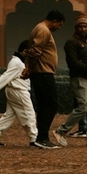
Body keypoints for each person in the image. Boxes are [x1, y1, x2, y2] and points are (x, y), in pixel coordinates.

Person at [58, 15, 87, 145]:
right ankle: (61, 131)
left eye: (85, 26)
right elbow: (74, 63)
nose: (83, 29)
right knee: (83, 107)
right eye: (81, 26)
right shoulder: (72, 43)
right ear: (76, 28)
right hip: (80, 78)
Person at [0, 40, 37, 148]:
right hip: (18, 91)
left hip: (15, 90)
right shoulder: (17, 63)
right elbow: (6, 76)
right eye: (30, 51)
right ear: (24, 51)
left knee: (9, 116)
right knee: (29, 114)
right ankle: (34, 138)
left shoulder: (18, 61)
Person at [27, 9, 66, 147]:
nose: (59, 28)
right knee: (50, 104)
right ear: (54, 21)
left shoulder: (39, 28)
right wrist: (29, 67)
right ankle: (42, 137)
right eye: (59, 25)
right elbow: (35, 51)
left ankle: (40, 137)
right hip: (43, 72)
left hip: (41, 72)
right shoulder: (43, 30)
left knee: (44, 105)